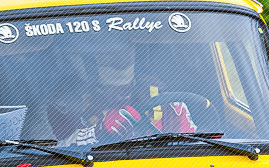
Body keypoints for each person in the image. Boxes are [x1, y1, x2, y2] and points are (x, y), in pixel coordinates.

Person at [47, 40, 197, 146]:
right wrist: (98, 132)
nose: (118, 62)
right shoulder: (70, 104)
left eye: (125, 55)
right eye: (107, 56)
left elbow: (197, 144)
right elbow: (56, 150)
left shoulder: (165, 101)